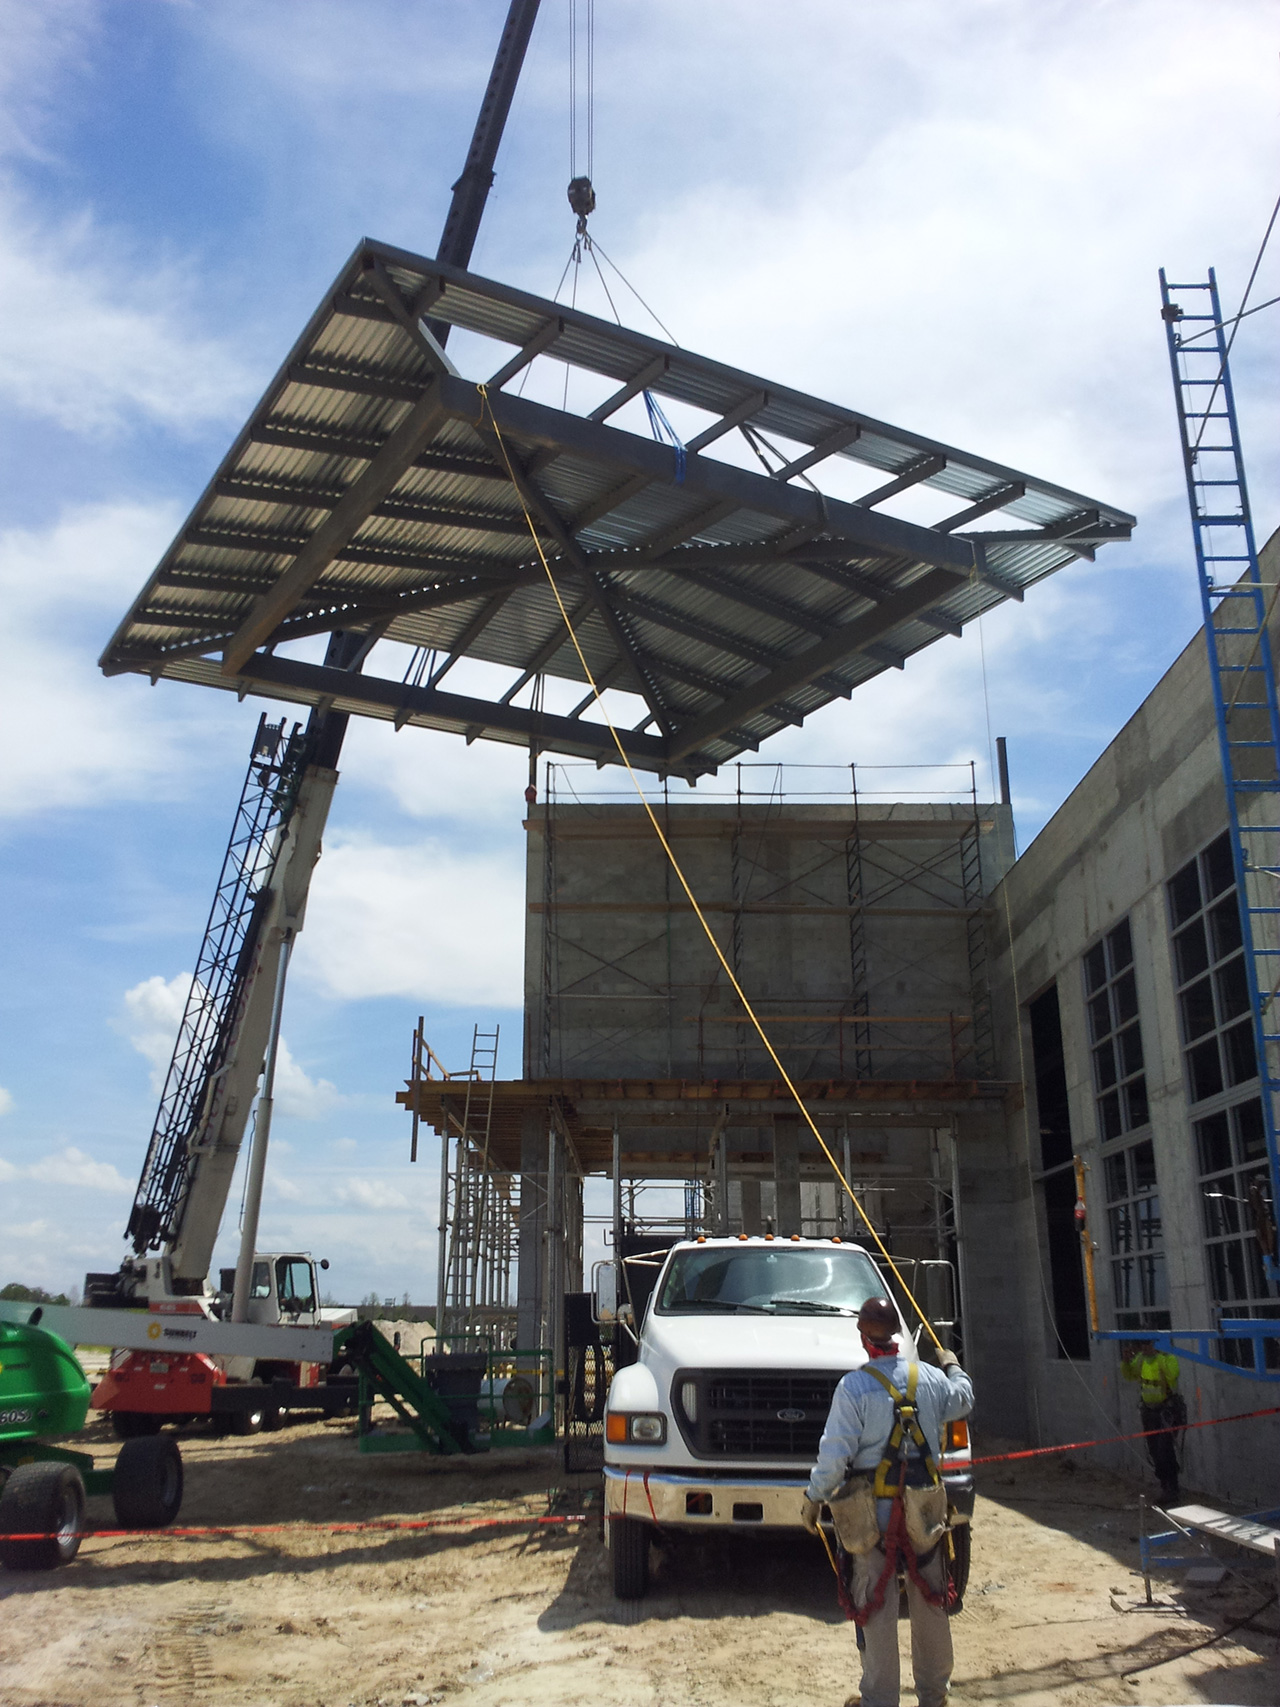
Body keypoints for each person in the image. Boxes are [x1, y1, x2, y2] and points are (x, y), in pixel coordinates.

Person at [801, 1296, 973, 1707]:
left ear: (864, 1338)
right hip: (925, 1511)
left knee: (874, 1605)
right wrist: (951, 1364)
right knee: (930, 1602)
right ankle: (934, 1695)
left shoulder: (854, 1388)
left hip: (871, 1517)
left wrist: (814, 1498)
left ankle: (880, 1700)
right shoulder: (930, 1379)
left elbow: (834, 1454)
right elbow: (963, 1398)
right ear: (895, 1334)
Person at [1121, 1338, 1182, 1503]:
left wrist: (1159, 1355)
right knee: (1154, 1450)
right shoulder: (1141, 1359)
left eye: (1148, 1344)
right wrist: (1126, 1361)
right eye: (1143, 1344)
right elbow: (1129, 1375)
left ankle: (1172, 1488)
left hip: (1166, 1411)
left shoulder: (1168, 1358)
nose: (1145, 1348)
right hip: (1149, 1411)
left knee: (1165, 1450)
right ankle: (1165, 1486)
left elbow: (1172, 1374)